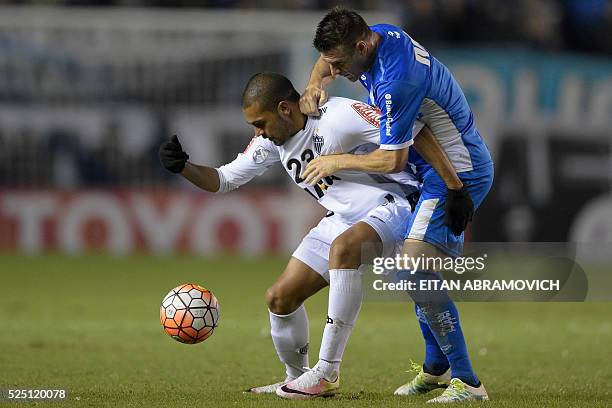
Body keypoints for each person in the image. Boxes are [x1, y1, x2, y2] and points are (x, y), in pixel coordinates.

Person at [159, 72, 453, 397]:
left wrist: (452, 187)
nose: (258, 132)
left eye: (260, 122)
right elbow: (223, 180)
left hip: (394, 205)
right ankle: (297, 376)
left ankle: (326, 371)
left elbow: (412, 130)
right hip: (342, 217)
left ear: (285, 109)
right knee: (280, 298)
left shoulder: (339, 115)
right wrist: (183, 167)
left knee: (344, 251)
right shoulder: (271, 142)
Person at [289, 7, 494, 403]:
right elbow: (328, 59)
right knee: (412, 271)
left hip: (457, 172)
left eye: (339, 63)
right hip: (438, 172)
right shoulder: (377, 37)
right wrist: (314, 83)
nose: (337, 70)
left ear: (362, 46)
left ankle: (468, 382)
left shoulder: (395, 82)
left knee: (411, 269)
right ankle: (436, 369)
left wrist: (335, 161)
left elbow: (392, 159)